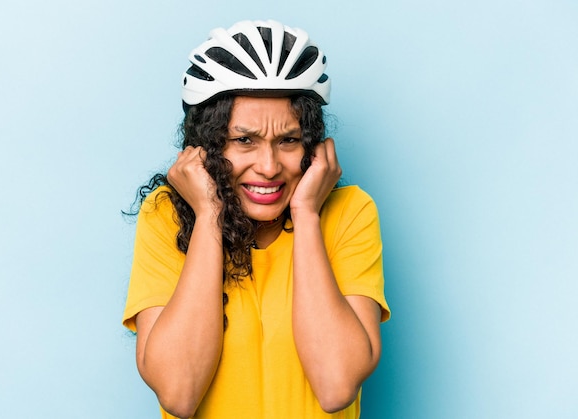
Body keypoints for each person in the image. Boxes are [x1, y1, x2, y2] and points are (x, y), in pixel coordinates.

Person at [122, 19, 391, 419]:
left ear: (313, 146)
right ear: (206, 145)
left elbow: (336, 387)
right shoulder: (166, 215)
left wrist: (306, 214)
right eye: (244, 140)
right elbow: (178, 394)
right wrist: (209, 212)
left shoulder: (350, 213)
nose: (268, 167)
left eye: (288, 140)